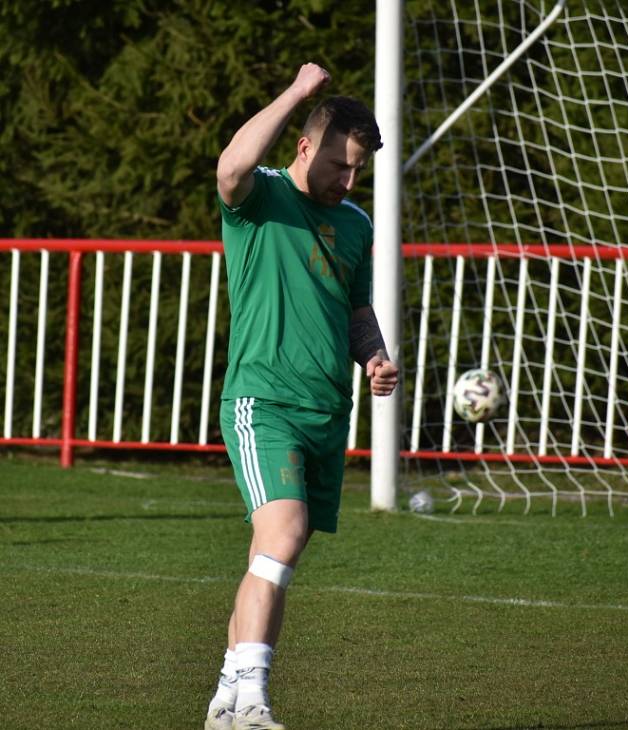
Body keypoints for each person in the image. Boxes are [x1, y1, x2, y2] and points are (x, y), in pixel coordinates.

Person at [204, 63, 399, 730]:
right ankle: (255, 698)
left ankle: (228, 699)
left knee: (273, 557)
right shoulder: (259, 199)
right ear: (305, 147)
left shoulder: (354, 223)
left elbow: (355, 308)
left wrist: (373, 355)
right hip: (264, 402)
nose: (348, 183)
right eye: (340, 167)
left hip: (327, 412)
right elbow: (231, 164)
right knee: (282, 536)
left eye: (357, 173)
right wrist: (294, 94)